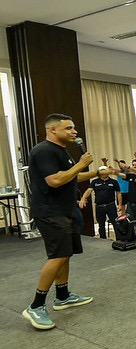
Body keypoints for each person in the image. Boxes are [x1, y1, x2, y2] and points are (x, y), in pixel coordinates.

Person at [23, 113, 97, 331]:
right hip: (50, 212)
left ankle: (62, 295)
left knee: (66, 253)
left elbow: (71, 176)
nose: (74, 132)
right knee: (57, 255)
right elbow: (55, 181)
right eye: (68, 128)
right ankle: (36, 306)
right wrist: (82, 163)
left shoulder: (62, 150)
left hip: (65, 210)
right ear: (52, 130)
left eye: (74, 128)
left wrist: (96, 171)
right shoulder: (43, 151)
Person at [78, 165, 121, 239]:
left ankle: (119, 239)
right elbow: (89, 190)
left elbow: (118, 193)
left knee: (115, 223)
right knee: (101, 225)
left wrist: (120, 204)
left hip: (110, 205)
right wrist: (83, 198)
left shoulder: (114, 182)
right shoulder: (95, 182)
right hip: (99, 206)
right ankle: (103, 240)